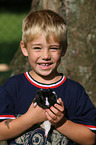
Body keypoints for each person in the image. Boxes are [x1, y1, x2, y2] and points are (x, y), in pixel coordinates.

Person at [0, 9, 96, 145]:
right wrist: (30, 118)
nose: (45, 56)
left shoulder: (74, 91)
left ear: (64, 49)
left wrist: (61, 122)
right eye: (37, 48)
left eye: (53, 48)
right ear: (24, 49)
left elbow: (90, 138)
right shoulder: (13, 87)